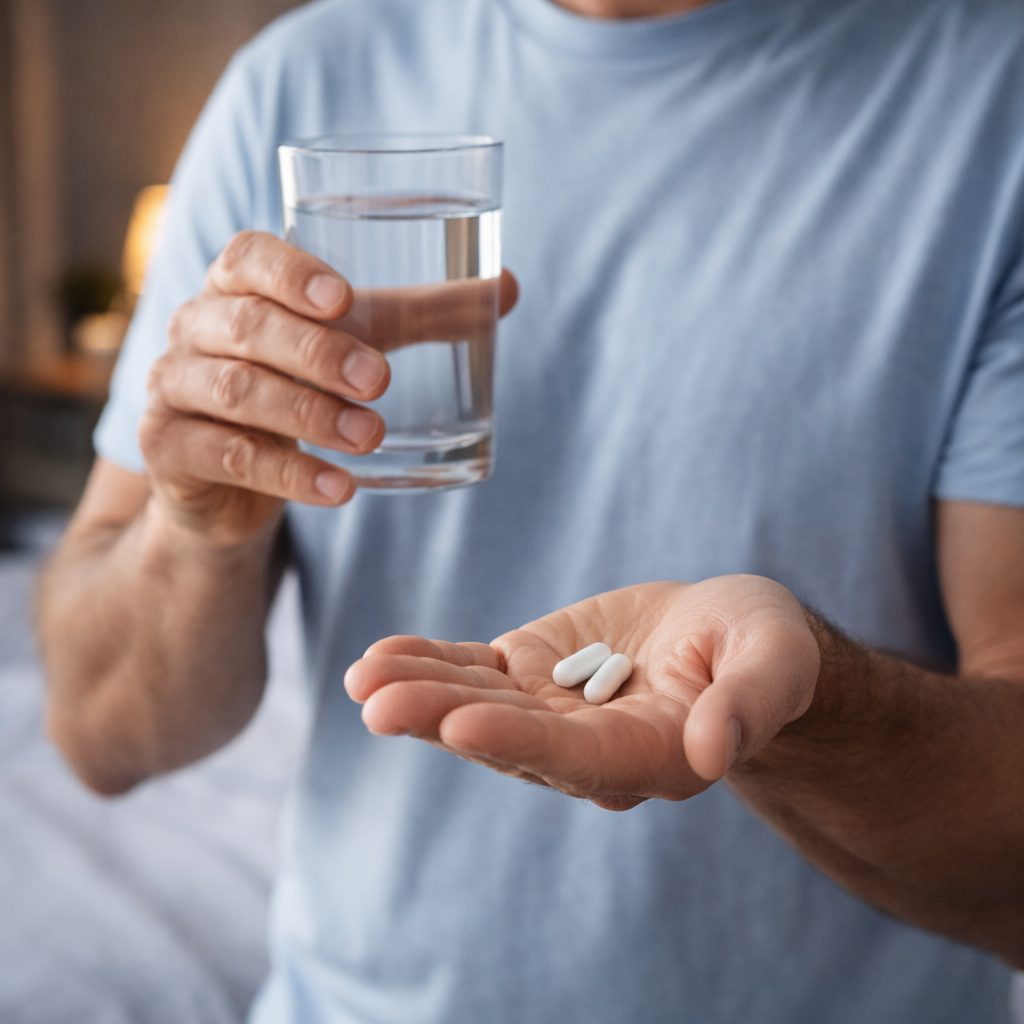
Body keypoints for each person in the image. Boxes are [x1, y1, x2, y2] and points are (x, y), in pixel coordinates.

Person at [36, 0, 1024, 1019]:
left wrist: (806, 705)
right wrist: (196, 533)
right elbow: (100, 735)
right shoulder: (296, 82)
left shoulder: (993, 91)